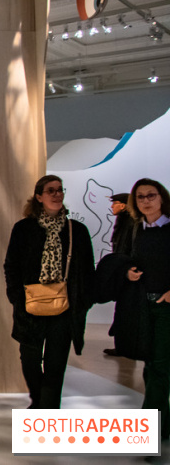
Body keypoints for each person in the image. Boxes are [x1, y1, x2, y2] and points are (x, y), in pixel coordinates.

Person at [4, 175, 95, 409]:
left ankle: (48, 412)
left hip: (64, 309)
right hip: (30, 307)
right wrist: (17, 298)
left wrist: (82, 302)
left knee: (56, 364)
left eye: (59, 190)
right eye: (50, 190)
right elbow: (11, 265)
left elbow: (87, 270)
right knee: (30, 360)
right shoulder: (24, 229)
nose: (57, 194)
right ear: (39, 196)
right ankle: (39, 400)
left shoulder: (77, 230)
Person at [122, 178, 170, 438]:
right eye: (140, 197)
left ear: (162, 197)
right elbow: (125, 260)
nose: (146, 201)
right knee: (151, 366)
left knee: (161, 366)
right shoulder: (135, 229)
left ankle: (148, 434)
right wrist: (127, 272)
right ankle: (165, 426)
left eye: (151, 195)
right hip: (142, 306)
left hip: (166, 308)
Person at [103, 192, 136, 357]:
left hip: (128, 274)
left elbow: (127, 249)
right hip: (124, 272)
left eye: (114, 203)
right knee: (124, 310)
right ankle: (123, 346)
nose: (112, 206)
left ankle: (125, 347)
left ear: (122, 205)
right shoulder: (125, 221)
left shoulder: (129, 223)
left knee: (126, 311)